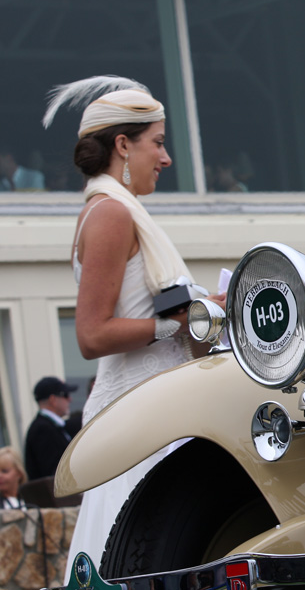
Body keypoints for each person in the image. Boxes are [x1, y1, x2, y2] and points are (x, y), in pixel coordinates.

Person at [41, 75, 226, 577]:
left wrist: (202, 310)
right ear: (123, 145)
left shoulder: (115, 211)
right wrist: (177, 323)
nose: (166, 158)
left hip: (155, 414)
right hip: (138, 422)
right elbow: (92, 335)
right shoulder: (112, 215)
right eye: (158, 143)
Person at [23, 376, 77, 480]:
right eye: (65, 395)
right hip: (55, 494)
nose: (70, 399)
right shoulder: (43, 429)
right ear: (53, 400)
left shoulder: (50, 426)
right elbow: (52, 472)